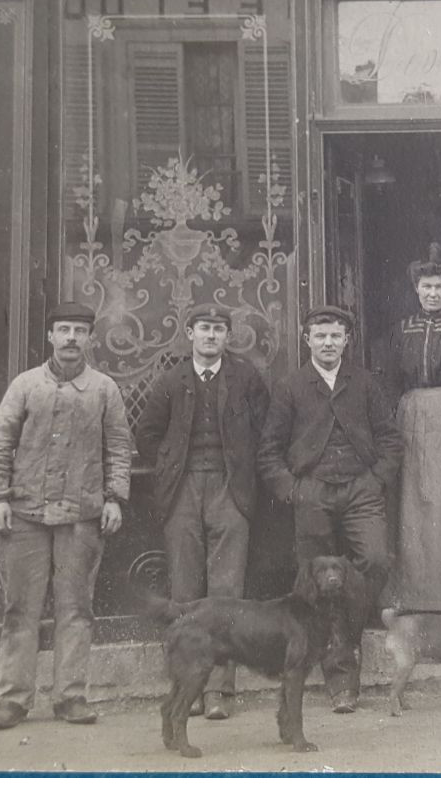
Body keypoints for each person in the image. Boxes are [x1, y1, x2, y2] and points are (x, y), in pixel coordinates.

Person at [0, 301, 132, 730]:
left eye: (79, 331)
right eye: (63, 330)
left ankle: (71, 697)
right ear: (50, 336)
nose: (70, 338)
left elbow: (119, 448)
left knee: (76, 609)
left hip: (82, 517)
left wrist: (114, 497)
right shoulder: (26, 386)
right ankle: (12, 700)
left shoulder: (104, 389)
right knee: (19, 610)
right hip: (24, 514)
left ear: (89, 338)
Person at [259, 304, 404, 713]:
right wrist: (293, 490)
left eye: (335, 336)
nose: (328, 343)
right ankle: (341, 679)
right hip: (313, 491)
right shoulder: (290, 386)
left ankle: (346, 639)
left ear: (347, 340)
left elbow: (391, 440)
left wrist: (375, 479)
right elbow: (269, 450)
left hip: (361, 488)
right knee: (318, 581)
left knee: (375, 559)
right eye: (320, 336)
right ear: (307, 340)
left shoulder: (365, 384)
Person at [133, 302, 269, 721]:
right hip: (183, 488)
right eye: (204, 328)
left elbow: (265, 430)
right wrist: (172, 465)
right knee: (185, 594)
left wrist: (243, 470)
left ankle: (219, 693)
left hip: (231, 487)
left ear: (228, 337)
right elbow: (148, 433)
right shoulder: (172, 380)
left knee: (227, 594)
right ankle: (188, 687)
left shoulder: (245, 377)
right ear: (189, 333)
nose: (211, 336)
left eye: (219, 329)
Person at [387, 256, 441, 611]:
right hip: (410, 413)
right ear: (416, 290)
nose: (433, 293)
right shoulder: (403, 327)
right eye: (427, 287)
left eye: (440, 287)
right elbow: (391, 374)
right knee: (415, 498)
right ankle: (415, 592)